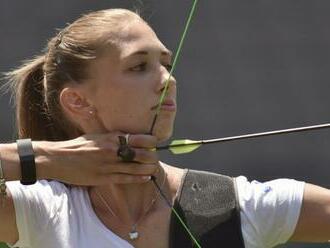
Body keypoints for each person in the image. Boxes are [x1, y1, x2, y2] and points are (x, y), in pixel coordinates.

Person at [0, 8, 329, 248]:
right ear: (78, 101)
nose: (168, 80)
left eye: (167, 65)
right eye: (139, 66)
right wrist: (44, 158)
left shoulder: (239, 206)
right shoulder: (39, 210)